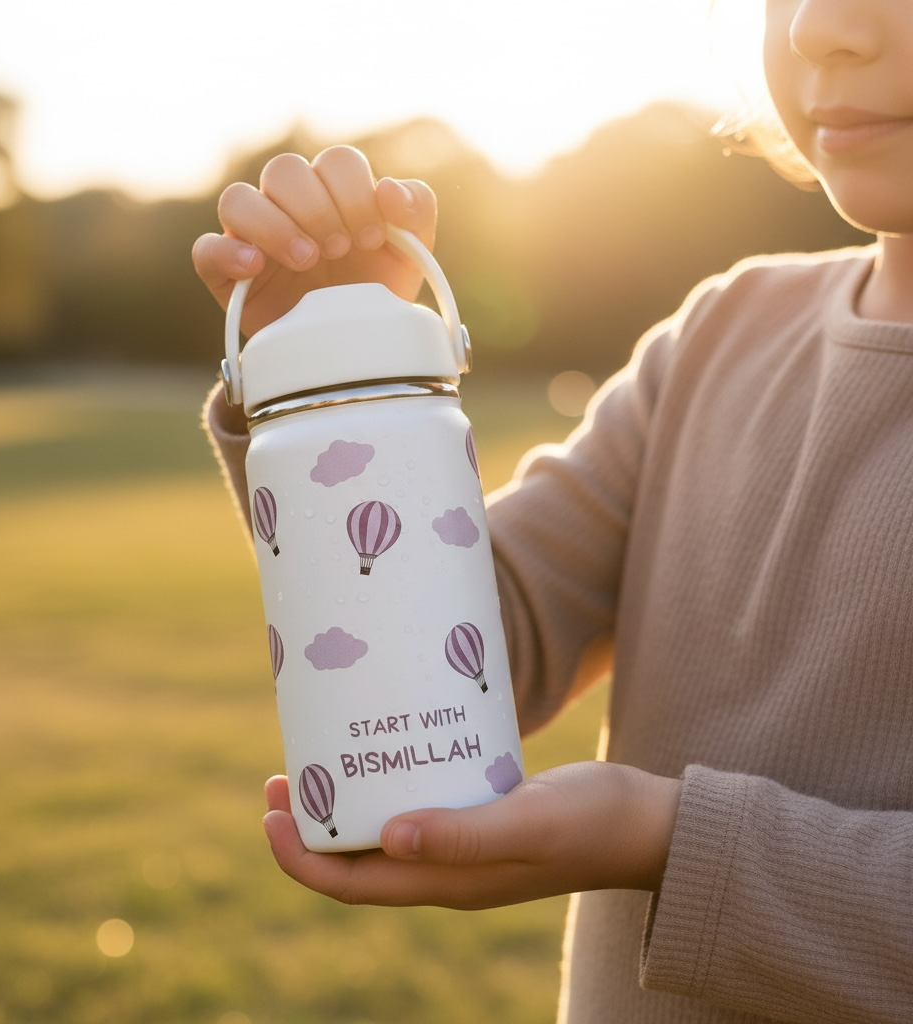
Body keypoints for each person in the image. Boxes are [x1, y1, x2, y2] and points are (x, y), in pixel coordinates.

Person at [192, 1, 913, 1020]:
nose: (817, 27)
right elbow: (485, 650)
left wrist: (664, 838)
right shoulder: (720, 335)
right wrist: (344, 394)